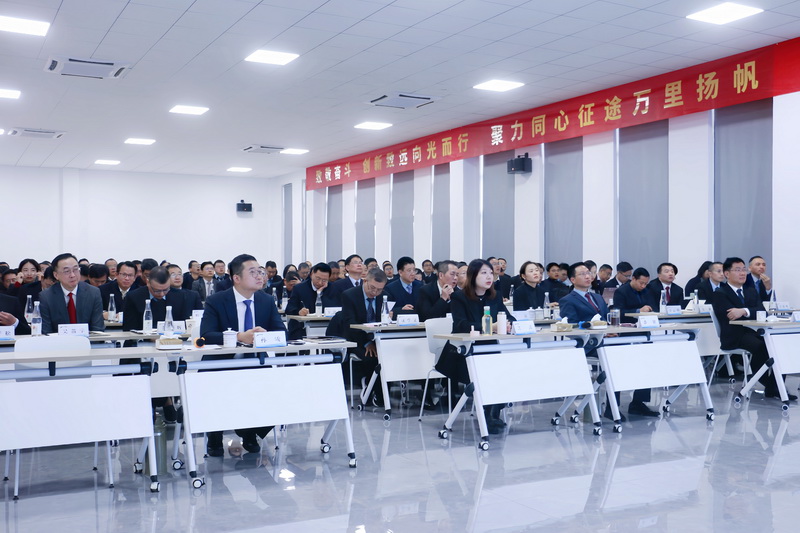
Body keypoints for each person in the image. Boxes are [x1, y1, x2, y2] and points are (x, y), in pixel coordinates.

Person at [200, 254, 287, 456]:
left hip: (255, 362)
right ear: (236, 278)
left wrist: (263, 336)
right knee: (218, 388)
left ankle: (250, 430)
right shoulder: (216, 300)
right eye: (253, 272)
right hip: (221, 363)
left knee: (276, 388)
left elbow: (282, 333)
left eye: (260, 272)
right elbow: (207, 335)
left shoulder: (266, 300)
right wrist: (239, 337)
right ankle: (214, 433)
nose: (259, 276)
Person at [560, 262, 658, 418]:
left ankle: (638, 402)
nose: (588, 276)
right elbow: (571, 326)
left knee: (643, 354)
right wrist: (597, 332)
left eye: (589, 273)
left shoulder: (597, 297)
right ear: (572, 279)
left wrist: (611, 330)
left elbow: (606, 320)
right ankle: (612, 407)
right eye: (582, 274)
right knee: (617, 358)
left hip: (608, 342)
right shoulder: (568, 300)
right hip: (589, 344)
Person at [435, 259, 514, 434]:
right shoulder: (459, 297)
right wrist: (490, 327)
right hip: (463, 352)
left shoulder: (494, 296)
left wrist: (508, 324)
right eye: (484, 273)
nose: (489, 277)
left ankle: (492, 413)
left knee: (503, 370)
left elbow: (508, 317)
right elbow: (461, 325)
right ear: (473, 276)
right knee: (489, 373)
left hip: (489, 350)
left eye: (491, 273)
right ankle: (488, 416)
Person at [712, 257, 794, 400]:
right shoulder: (720, 293)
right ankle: (773, 387)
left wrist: (743, 311)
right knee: (762, 347)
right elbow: (731, 315)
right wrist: (748, 311)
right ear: (727, 274)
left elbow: (762, 311)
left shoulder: (750, 291)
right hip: (734, 336)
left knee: (779, 346)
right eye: (737, 270)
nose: (742, 273)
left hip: (752, 332)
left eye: (743, 269)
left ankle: (774, 386)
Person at [340, 267, 388, 407]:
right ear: (365, 280)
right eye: (372, 288)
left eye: (379, 290)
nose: (375, 292)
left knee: (390, 355)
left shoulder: (384, 296)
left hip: (377, 338)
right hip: (356, 339)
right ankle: (375, 393)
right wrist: (367, 343)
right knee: (373, 357)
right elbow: (350, 325)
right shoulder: (349, 295)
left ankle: (381, 393)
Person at [39, 253, 105, 334]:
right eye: (67, 271)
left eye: (75, 269)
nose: (73, 275)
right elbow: (46, 331)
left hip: (87, 340)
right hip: (58, 341)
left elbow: (97, 328)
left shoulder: (93, 293)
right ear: (56, 275)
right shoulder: (46, 296)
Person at [285, 262, 334, 340]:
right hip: (302, 329)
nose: (320, 282)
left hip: (327, 328)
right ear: (311, 274)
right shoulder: (299, 288)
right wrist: (299, 312)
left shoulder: (333, 288)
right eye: (318, 278)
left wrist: (319, 293)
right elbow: (289, 309)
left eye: (324, 280)